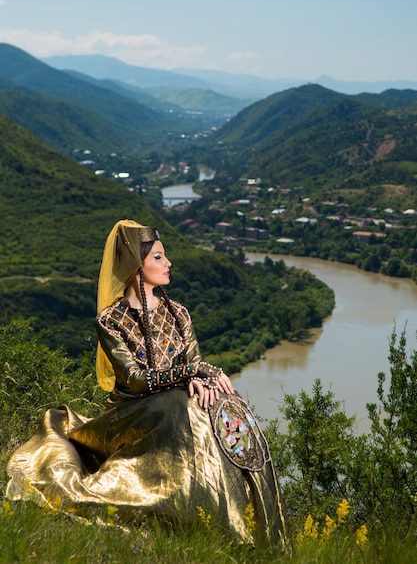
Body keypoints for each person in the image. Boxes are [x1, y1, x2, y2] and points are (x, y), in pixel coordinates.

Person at [6, 219, 286, 544]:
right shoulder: (110, 321)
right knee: (183, 405)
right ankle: (219, 529)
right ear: (135, 265)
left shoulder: (178, 313)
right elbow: (136, 381)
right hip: (131, 412)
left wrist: (208, 375)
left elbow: (193, 363)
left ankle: (247, 528)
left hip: (172, 402)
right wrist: (188, 376)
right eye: (158, 257)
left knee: (222, 402)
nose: (168, 264)